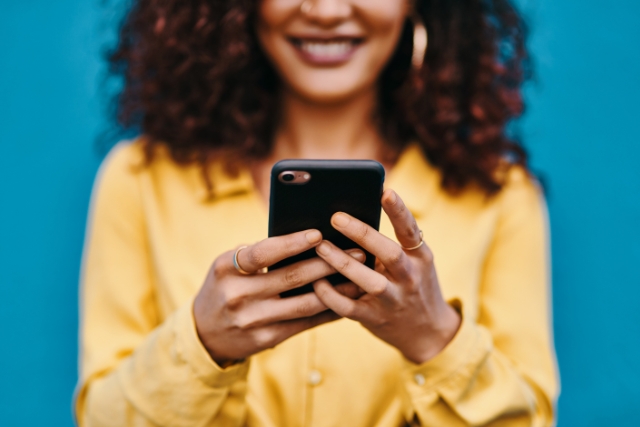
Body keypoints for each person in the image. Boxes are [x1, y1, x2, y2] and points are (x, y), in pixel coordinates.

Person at [74, 0, 559, 425]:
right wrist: (202, 346)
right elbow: (101, 419)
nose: (326, 11)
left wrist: (436, 340)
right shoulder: (139, 179)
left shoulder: (500, 195)